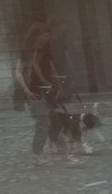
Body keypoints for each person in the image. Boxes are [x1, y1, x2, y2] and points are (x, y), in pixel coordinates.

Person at [15, 21, 82, 167]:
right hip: (34, 92)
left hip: (48, 91)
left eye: (48, 36)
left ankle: (66, 157)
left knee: (56, 121)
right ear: (37, 36)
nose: (48, 38)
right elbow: (18, 72)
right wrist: (26, 90)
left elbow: (51, 69)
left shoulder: (46, 50)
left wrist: (58, 86)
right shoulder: (27, 52)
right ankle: (37, 154)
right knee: (42, 124)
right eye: (45, 36)